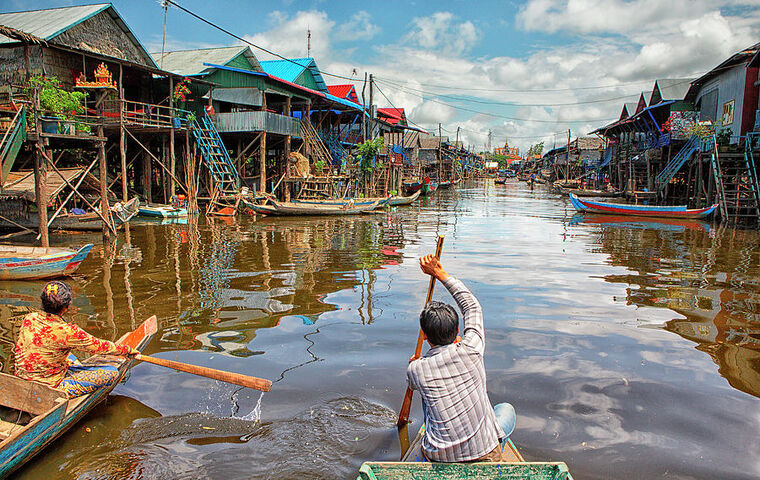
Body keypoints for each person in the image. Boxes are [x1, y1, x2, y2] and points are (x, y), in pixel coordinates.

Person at [407, 255, 516, 463]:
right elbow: (472, 307)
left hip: (438, 456)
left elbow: (413, 382)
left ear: (424, 336)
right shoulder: (472, 348)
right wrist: (439, 273)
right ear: (458, 329)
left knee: (426, 397)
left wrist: (414, 363)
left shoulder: (416, 369)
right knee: (505, 410)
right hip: (486, 453)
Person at [14, 281, 139, 398]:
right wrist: (126, 350)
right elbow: (100, 346)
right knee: (111, 372)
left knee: (69, 356)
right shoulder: (68, 331)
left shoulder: (30, 318)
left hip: (21, 377)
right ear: (66, 307)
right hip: (49, 387)